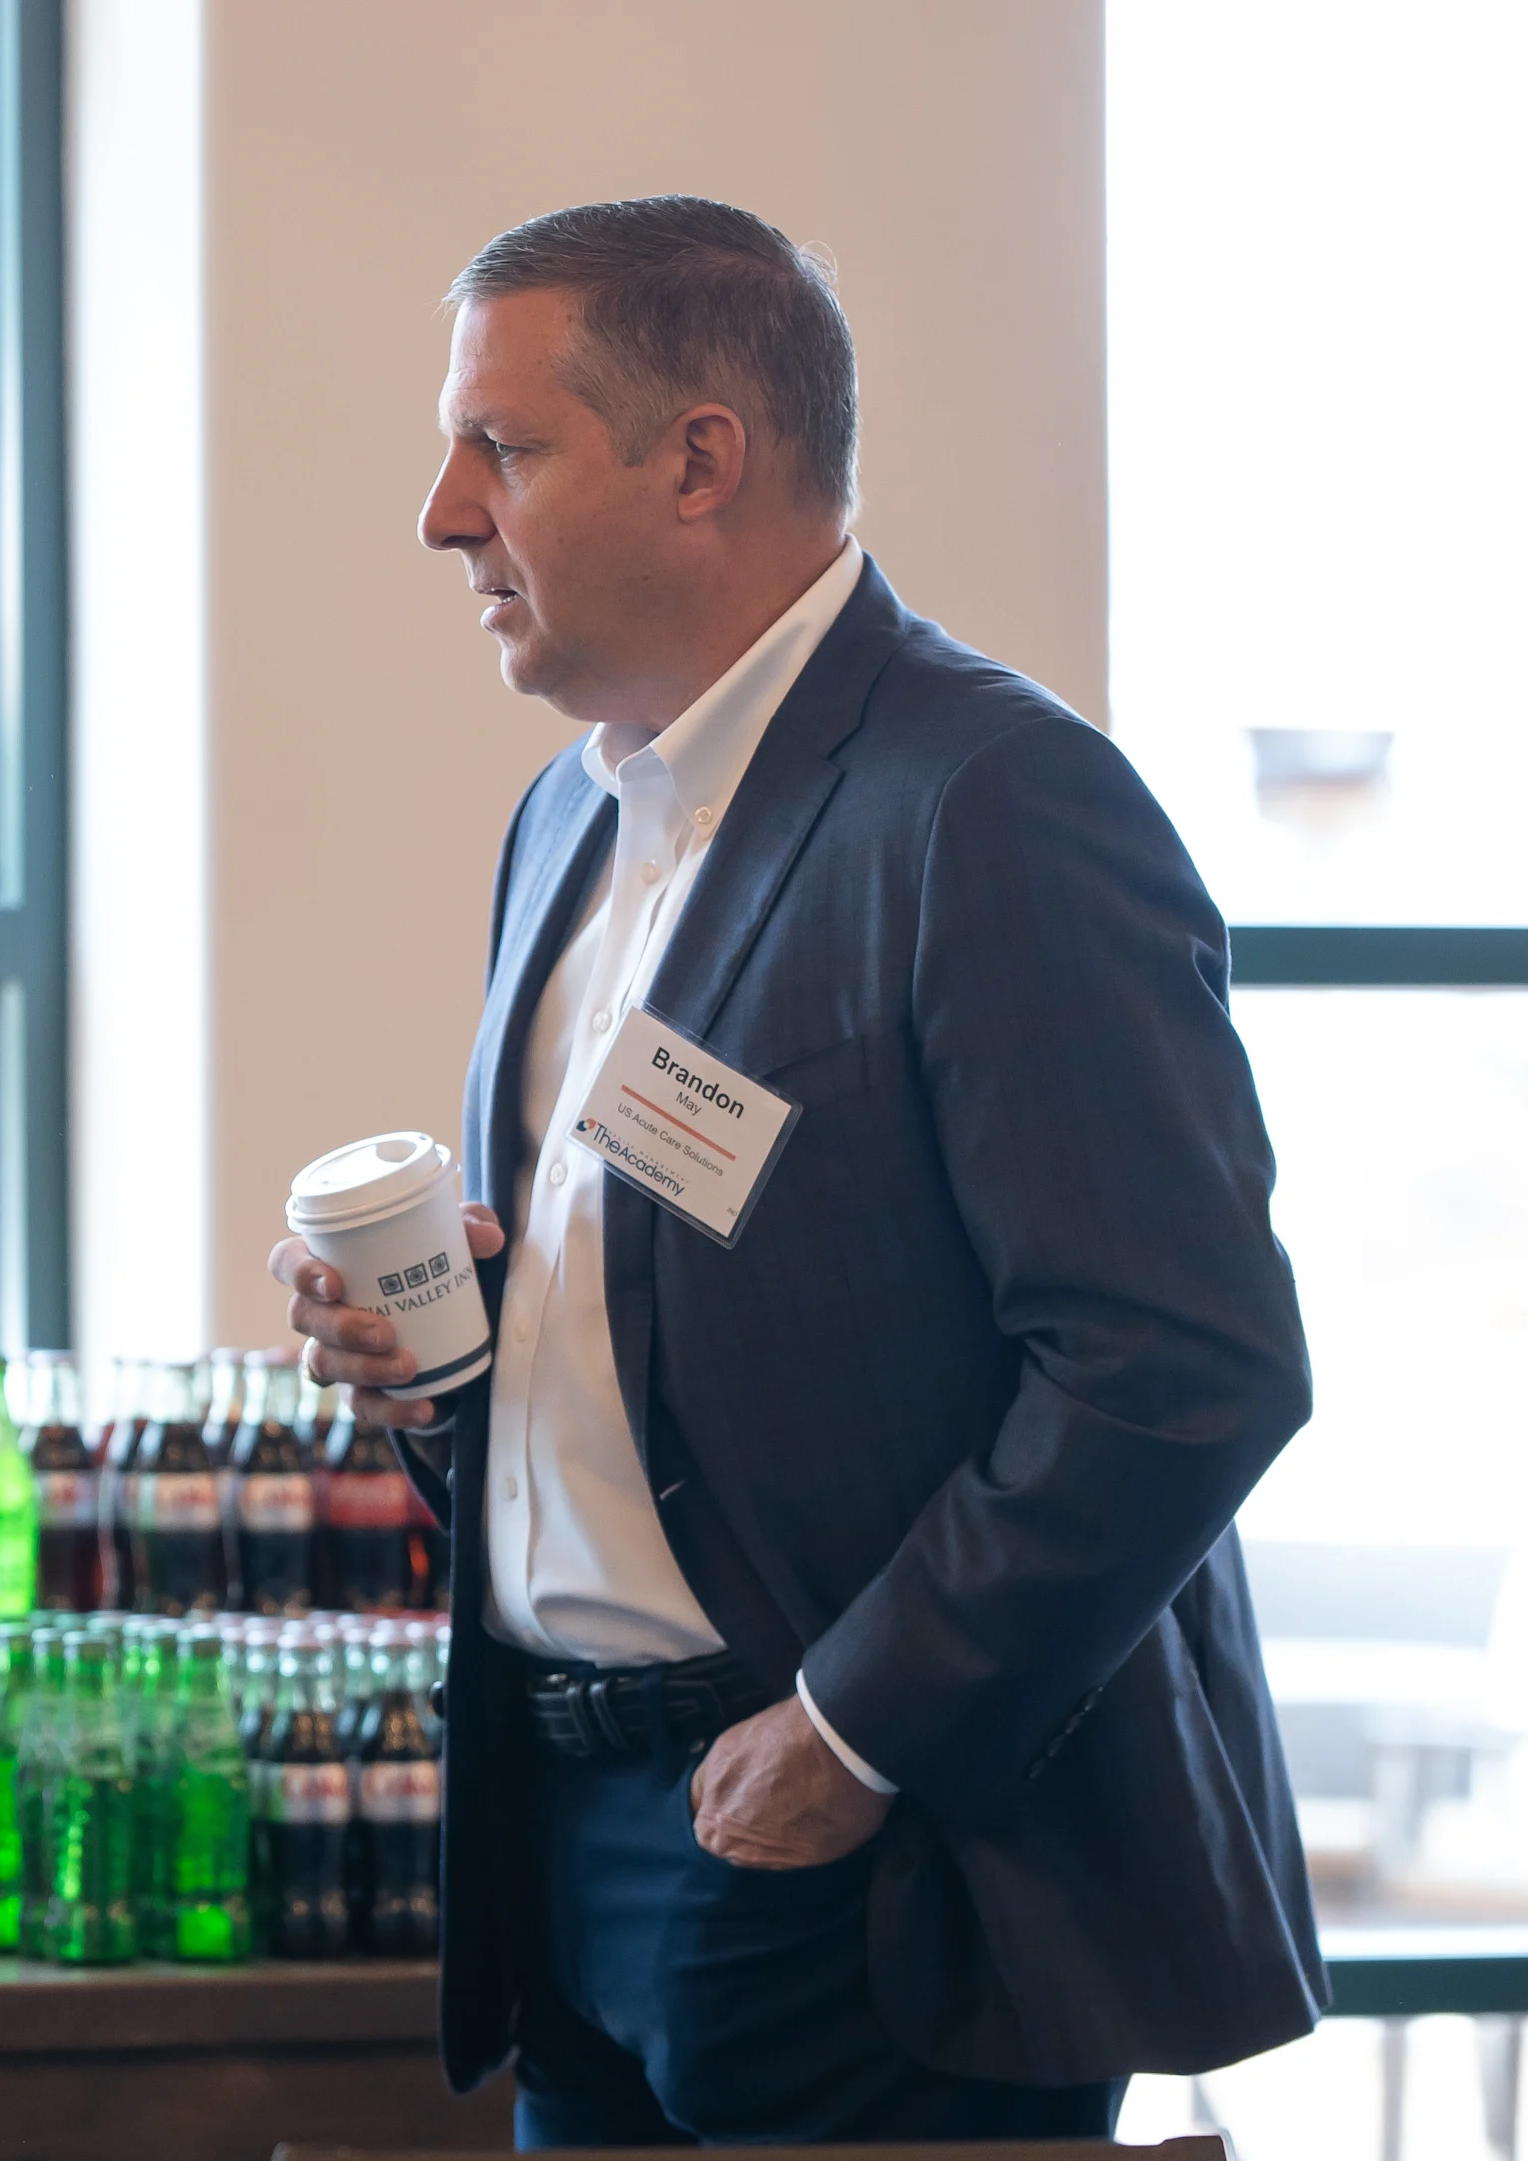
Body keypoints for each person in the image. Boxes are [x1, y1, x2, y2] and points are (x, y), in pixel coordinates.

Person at [272, 197, 1321, 2146]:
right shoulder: (565, 823)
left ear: (700, 461)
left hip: (865, 1854)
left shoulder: (995, 801)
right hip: (567, 1834)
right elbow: (691, 1329)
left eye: (498, 449)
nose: (441, 514)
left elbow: (1184, 1363)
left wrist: (858, 1734)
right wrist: (445, 1365)